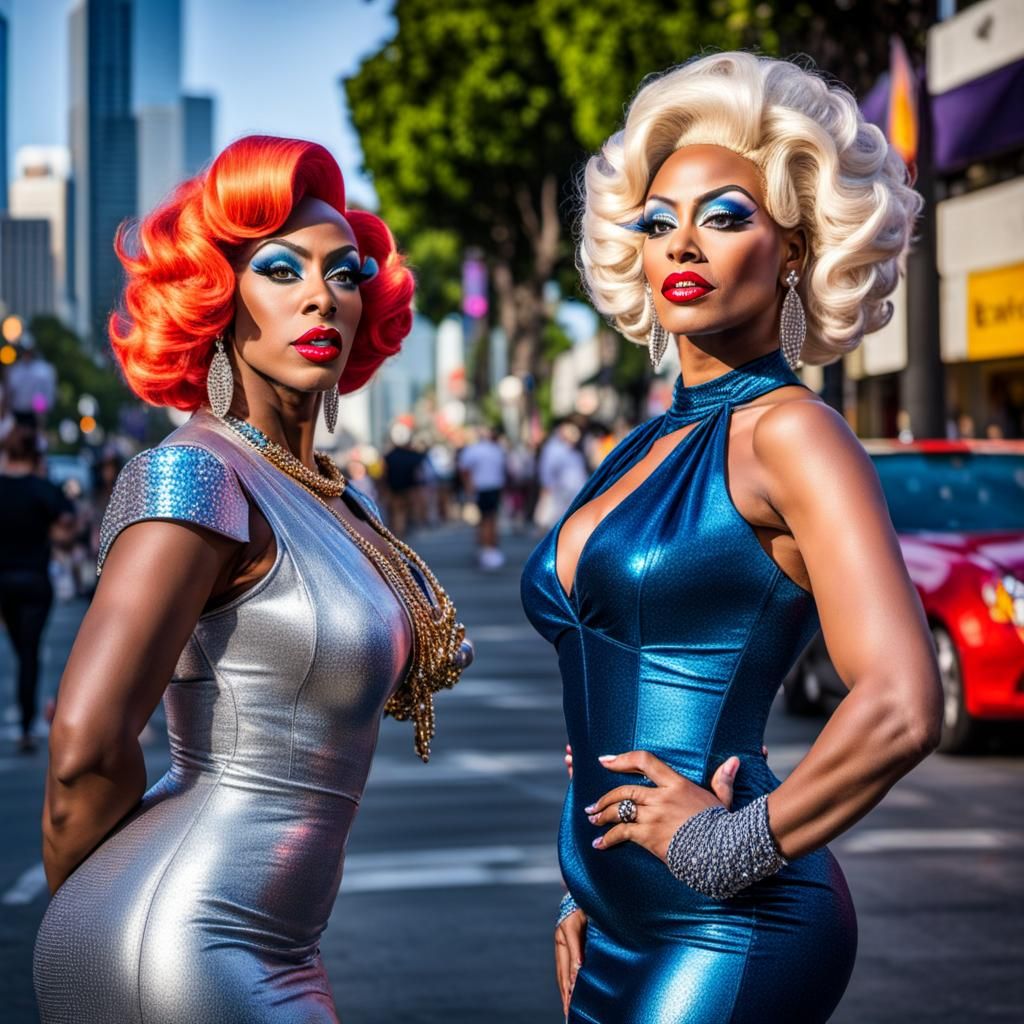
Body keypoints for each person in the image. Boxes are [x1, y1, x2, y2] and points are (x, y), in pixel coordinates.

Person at [520, 52, 942, 1023]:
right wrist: (586, 881)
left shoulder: (792, 433)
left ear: (794, 247)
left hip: (734, 919)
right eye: (659, 221)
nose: (682, 244)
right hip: (610, 917)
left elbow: (900, 701)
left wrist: (725, 846)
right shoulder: (641, 442)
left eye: (724, 216)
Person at [33, 135, 473, 1023]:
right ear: (219, 298)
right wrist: (91, 915)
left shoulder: (330, 491)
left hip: (277, 943)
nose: (320, 295)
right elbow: (84, 749)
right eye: (280, 270)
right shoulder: (196, 473)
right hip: (181, 937)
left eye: (343, 274)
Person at [0, 414, 76, 752]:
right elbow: (67, 529)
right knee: (29, 652)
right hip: (34, 580)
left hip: (3, 580)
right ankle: (28, 725)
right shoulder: (44, 489)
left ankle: (27, 717)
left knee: (20, 649)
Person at [458, 425, 508, 568]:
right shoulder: (496, 450)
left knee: (484, 519)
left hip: (481, 487)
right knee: (491, 518)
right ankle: (490, 547)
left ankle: (486, 549)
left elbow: (464, 469)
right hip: (495, 487)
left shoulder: (473, 450)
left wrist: (468, 486)